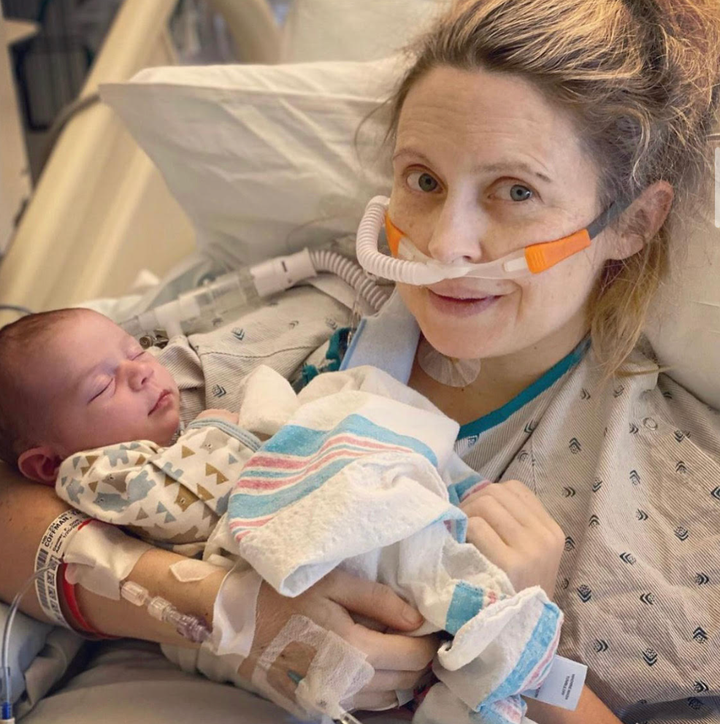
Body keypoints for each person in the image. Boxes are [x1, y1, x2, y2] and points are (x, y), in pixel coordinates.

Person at [2, 0, 719, 722]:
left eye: (516, 192)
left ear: (631, 222)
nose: (444, 245)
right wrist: (222, 612)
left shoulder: (658, 493)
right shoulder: (307, 315)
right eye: (425, 181)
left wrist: (522, 643)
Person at [0, 307, 561, 722]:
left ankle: (490, 644)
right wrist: (228, 606)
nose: (145, 372)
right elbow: (166, 500)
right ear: (46, 464)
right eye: (103, 386)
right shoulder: (98, 471)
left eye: (139, 351)